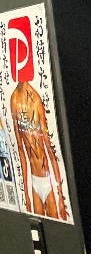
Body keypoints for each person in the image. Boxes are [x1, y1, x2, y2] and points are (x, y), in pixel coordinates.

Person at [10, 79, 68, 220]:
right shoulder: (14, 100)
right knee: (37, 226)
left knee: (56, 224)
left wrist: (60, 194)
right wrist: (26, 193)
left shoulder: (35, 99)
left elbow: (49, 148)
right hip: (34, 181)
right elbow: (20, 149)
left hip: (48, 180)